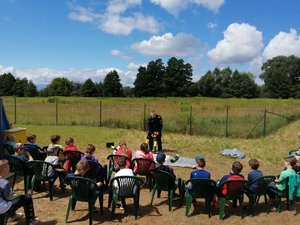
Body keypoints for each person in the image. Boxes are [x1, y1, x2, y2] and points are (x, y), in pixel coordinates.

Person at [0, 160, 39, 225]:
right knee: (27, 197)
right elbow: (9, 198)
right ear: (5, 169)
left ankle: (13, 216)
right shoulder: (4, 183)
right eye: (8, 166)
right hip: (2, 208)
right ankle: (31, 221)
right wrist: (15, 195)